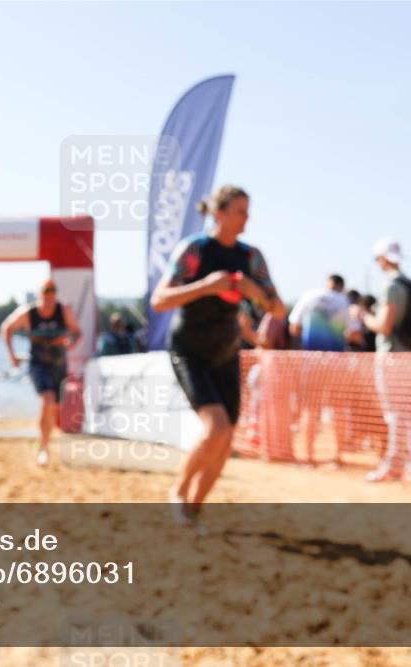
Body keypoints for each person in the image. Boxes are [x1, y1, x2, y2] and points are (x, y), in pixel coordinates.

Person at [150, 184, 285, 526]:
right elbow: (159, 300)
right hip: (189, 350)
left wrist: (256, 293)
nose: (247, 218)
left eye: (248, 210)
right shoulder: (195, 249)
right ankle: (178, 492)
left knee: (226, 440)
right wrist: (206, 286)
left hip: (226, 352)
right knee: (217, 428)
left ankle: (194, 509)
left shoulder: (251, 256)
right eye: (241, 211)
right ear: (220, 214)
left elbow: (279, 309)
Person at [363, 239, 411, 482]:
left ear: (383, 258)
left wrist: (364, 317)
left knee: (397, 414)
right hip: (410, 358)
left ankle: (395, 464)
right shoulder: (408, 284)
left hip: (394, 359)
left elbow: (384, 325)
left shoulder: (391, 286)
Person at [0, 279, 82, 466]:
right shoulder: (28, 313)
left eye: (51, 298)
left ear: (55, 297)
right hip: (37, 363)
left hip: (59, 364)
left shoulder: (64, 311)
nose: (48, 302)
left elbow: (77, 332)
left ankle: (43, 442)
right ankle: (44, 449)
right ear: (40, 296)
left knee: (55, 407)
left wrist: (72, 342)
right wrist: (11, 355)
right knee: (47, 401)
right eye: (45, 298)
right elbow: (7, 328)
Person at [288, 274, 352, 464]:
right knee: (339, 408)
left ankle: (308, 457)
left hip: (312, 361)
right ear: (340, 286)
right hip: (337, 362)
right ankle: (337, 456)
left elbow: (294, 328)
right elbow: (353, 332)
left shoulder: (308, 296)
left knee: (310, 408)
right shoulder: (343, 301)